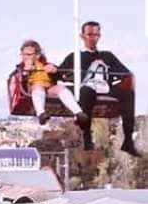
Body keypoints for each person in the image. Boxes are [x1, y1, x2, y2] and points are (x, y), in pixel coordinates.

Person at [58, 21, 139, 156]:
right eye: (89, 34)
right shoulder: (75, 57)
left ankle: (128, 140)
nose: (93, 38)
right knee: (86, 91)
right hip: (85, 88)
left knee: (128, 94)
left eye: (96, 35)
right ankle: (87, 137)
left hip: (104, 86)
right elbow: (58, 74)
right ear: (82, 36)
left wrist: (126, 81)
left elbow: (125, 73)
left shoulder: (107, 56)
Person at [17, 40, 87, 126]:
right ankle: (41, 113)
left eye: (28, 55)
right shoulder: (22, 67)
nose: (25, 57)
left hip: (48, 87)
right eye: (23, 54)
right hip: (33, 87)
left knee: (60, 88)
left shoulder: (46, 64)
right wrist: (25, 71)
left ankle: (78, 112)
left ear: (37, 55)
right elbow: (20, 81)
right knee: (38, 86)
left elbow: (60, 75)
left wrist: (55, 70)